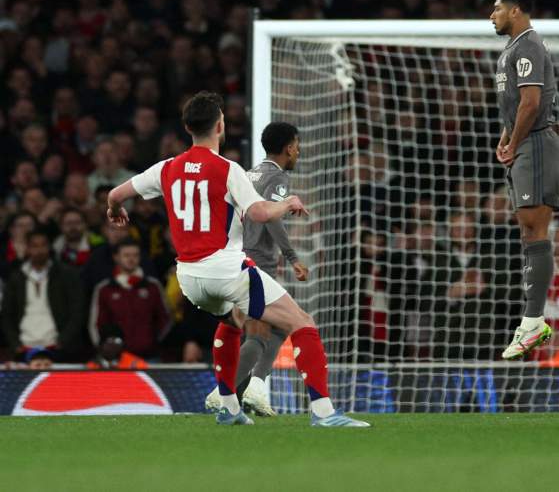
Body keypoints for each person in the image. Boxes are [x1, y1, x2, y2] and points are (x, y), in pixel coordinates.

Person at [105, 91, 368, 427]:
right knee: (302, 323)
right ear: (220, 126)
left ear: (187, 127)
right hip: (225, 268)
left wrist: (115, 210)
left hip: (189, 278)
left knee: (232, 322)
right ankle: (324, 412)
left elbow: (116, 194)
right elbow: (259, 213)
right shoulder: (228, 169)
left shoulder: (166, 168)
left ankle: (229, 407)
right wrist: (287, 204)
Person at [204, 121, 308, 416]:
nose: (298, 152)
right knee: (266, 330)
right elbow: (271, 218)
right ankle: (225, 393)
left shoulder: (249, 173)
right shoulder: (277, 177)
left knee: (272, 328)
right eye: (297, 146)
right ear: (289, 148)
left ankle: (244, 394)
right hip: (258, 262)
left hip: (234, 257)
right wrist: (292, 257)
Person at [489, 0, 559, 360]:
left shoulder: (529, 45)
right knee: (528, 231)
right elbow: (516, 104)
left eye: (497, 9)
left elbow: (532, 103)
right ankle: (532, 320)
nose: (492, 15)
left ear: (515, 10)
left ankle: (534, 321)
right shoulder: (512, 49)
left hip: (535, 145)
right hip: (525, 144)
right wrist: (507, 137)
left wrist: (515, 141)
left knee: (535, 230)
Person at [1, 230, 84, 362]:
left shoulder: (66, 275)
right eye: (34, 246)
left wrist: (63, 341)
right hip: (24, 346)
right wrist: (15, 344)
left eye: (43, 245)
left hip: (57, 346)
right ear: (27, 248)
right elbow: (6, 315)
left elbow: (77, 311)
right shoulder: (16, 278)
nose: (39, 250)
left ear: (49, 247)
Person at [88, 239, 171, 359]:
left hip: (149, 356)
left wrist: (154, 342)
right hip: (116, 358)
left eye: (135, 255)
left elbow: (166, 319)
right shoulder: (104, 289)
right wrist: (104, 349)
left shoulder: (153, 286)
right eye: (126, 255)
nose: (131, 259)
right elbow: (96, 324)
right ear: (116, 257)